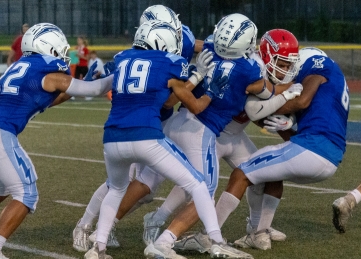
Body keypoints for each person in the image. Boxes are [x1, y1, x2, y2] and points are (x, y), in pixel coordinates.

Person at [82, 19, 250, 259]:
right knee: (199, 185)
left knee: (116, 189)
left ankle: (97, 247)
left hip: (112, 138)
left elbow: (96, 88)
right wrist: (206, 83)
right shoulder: (170, 62)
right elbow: (190, 104)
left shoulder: (122, 59)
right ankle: (216, 241)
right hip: (146, 136)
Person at [0, 23, 114, 259]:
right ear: (50, 45)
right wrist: (114, 76)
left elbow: (49, 98)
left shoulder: (23, 66)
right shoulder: (47, 67)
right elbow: (94, 88)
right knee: (26, 194)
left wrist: (86, 86)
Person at [72, 4, 204, 251]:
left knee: (144, 188)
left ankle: (105, 227)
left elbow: (198, 44)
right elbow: (169, 98)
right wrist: (194, 78)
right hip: (145, 118)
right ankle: (86, 224)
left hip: (157, 119)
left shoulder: (179, 36)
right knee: (125, 181)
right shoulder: (145, 50)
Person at [173, 28, 301, 254]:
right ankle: (185, 233)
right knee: (196, 189)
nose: (286, 70)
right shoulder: (250, 67)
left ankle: (257, 228)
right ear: (268, 55)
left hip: (234, 134)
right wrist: (289, 92)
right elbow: (254, 110)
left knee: (263, 175)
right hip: (211, 133)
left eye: (288, 65)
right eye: (282, 64)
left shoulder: (256, 67)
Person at [222, 46, 348, 251]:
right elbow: (302, 126)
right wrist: (287, 124)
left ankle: (211, 236)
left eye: (291, 66)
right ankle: (260, 230)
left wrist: (262, 108)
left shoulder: (318, 67)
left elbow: (302, 101)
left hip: (312, 148)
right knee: (272, 173)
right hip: (330, 156)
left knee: (241, 173)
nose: (289, 72)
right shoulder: (333, 84)